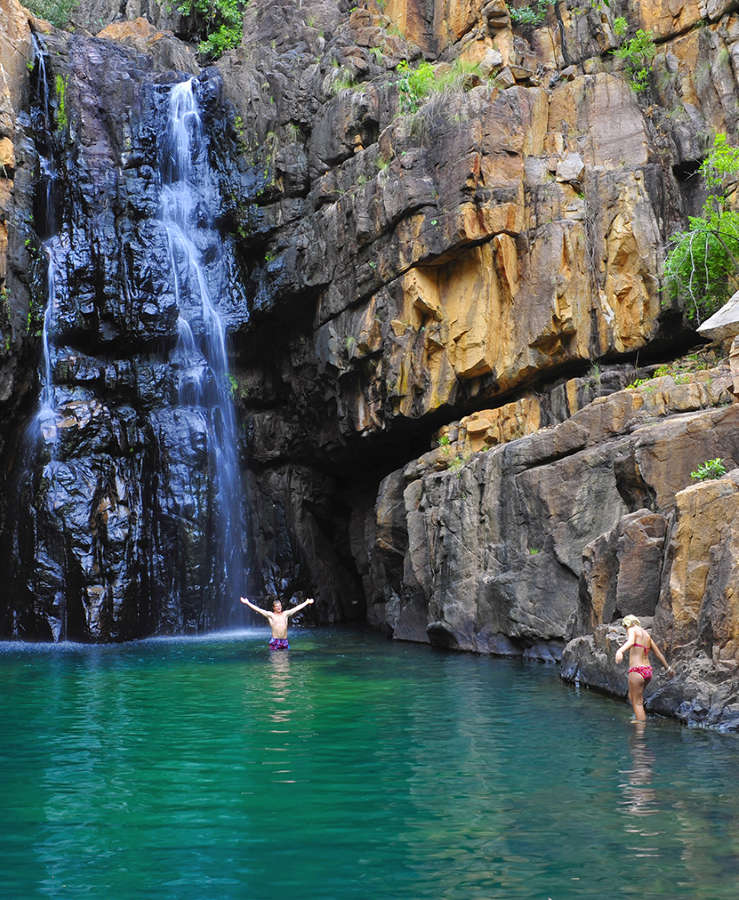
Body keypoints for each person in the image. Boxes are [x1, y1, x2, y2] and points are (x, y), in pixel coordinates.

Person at [615, 615, 674, 722]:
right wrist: (668, 668)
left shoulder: (632, 629)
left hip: (636, 671)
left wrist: (620, 651)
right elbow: (659, 654)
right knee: (632, 696)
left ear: (627, 624)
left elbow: (631, 641)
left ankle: (640, 729)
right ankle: (638, 715)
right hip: (647, 671)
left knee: (637, 703)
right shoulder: (647, 635)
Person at [240, 595, 314, 650]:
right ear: (274, 608)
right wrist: (247, 603)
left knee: (285, 660)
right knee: (276, 660)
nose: (279, 607)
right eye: (277, 606)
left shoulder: (285, 614)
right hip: (275, 641)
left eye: (280, 606)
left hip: (284, 641)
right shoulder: (271, 615)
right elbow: (259, 610)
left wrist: (306, 602)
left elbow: (296, 608)